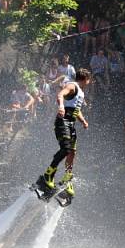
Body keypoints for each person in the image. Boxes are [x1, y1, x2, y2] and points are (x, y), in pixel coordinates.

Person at [34, 68, 92, 204]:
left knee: (72, 152)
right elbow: (60, 94)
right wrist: (60, 106)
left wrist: (83, 121)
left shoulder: (81, 93)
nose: (90, 83)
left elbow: (76, 110)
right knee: (66, 149)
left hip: (71, 125)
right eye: (89, 80)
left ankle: (67, 178)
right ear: (85, 79)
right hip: (62, 122)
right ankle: (48, 175)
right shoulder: (73, 86)